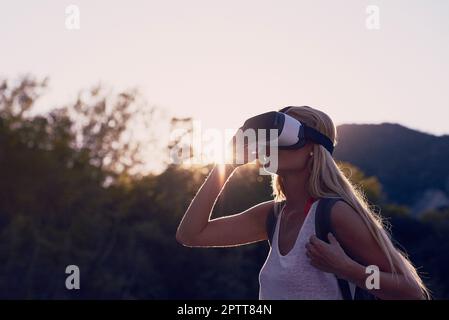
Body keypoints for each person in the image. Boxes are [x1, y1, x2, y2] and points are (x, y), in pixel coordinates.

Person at [176, 106, 429, 300]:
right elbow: (191, 235)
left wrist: (348, 269)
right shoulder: (273, 216)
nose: (270, 145)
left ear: (311, 149)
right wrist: (227, 164)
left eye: (280, 137)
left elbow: (410, 290)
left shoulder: (334, 213)